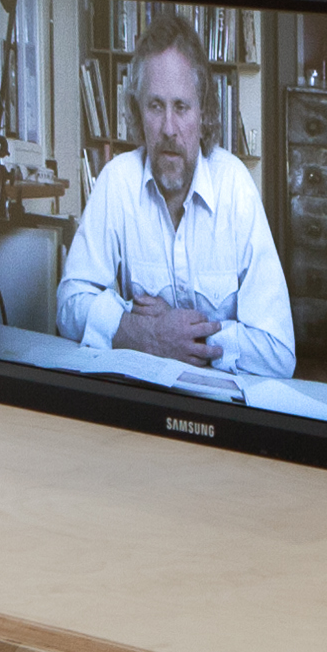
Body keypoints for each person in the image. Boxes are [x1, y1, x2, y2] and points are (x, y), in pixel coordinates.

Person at [54, 19, 295, 382]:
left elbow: (278, 352)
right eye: (155, 106)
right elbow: (70, 303)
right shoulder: (117, 181)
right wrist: (146, 334)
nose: (168, 128)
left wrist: (182, 336)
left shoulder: (235, 187)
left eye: (181, 107)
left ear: (205, 114)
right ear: (138, 114)